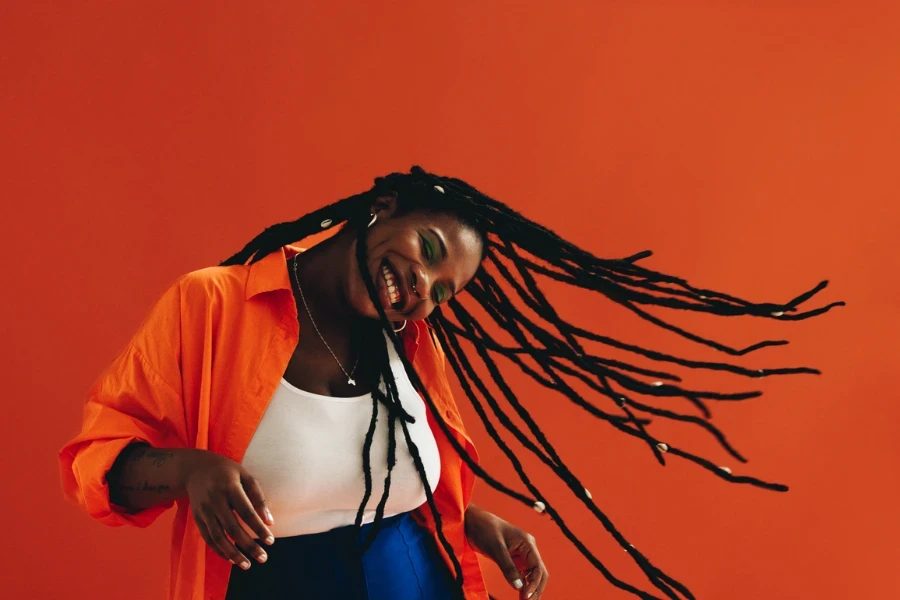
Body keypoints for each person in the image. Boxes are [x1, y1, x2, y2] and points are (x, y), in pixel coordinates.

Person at [59, 166, 842, 600]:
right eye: (427, 248)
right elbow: (97, 461)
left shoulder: (412, 342)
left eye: (443, 287)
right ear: (383, 208)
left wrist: (476, 525)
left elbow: (391, 482)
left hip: (416, 577)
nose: (421, 286)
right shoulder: (214, 305)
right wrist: (185, 469)